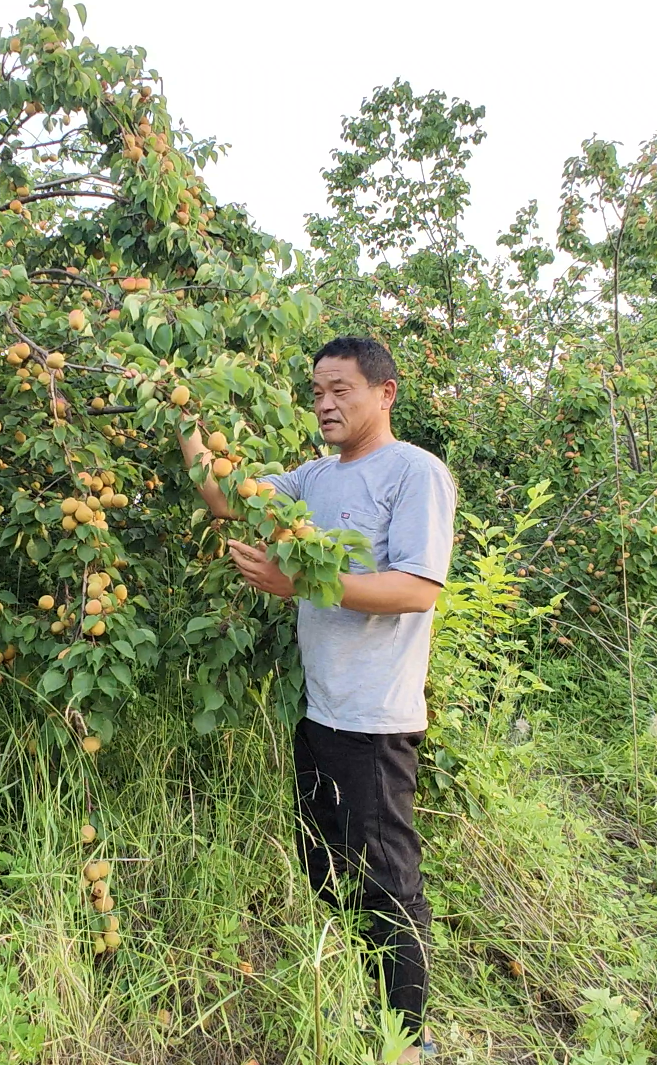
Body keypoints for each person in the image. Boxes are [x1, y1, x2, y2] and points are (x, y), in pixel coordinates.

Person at [180, 335, 456, 1061]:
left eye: (341, 389)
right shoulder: (315, 477)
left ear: (385, 392)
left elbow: (417, 588)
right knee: (329, 867)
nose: (326, 404)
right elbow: (223, 498)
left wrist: (298, 582)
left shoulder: (413, 472)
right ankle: (353, 1000)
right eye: (317, 392)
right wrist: (177, 407)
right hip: (320, 711)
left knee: (388, 878)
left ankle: (410, 1039)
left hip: (375, 717)